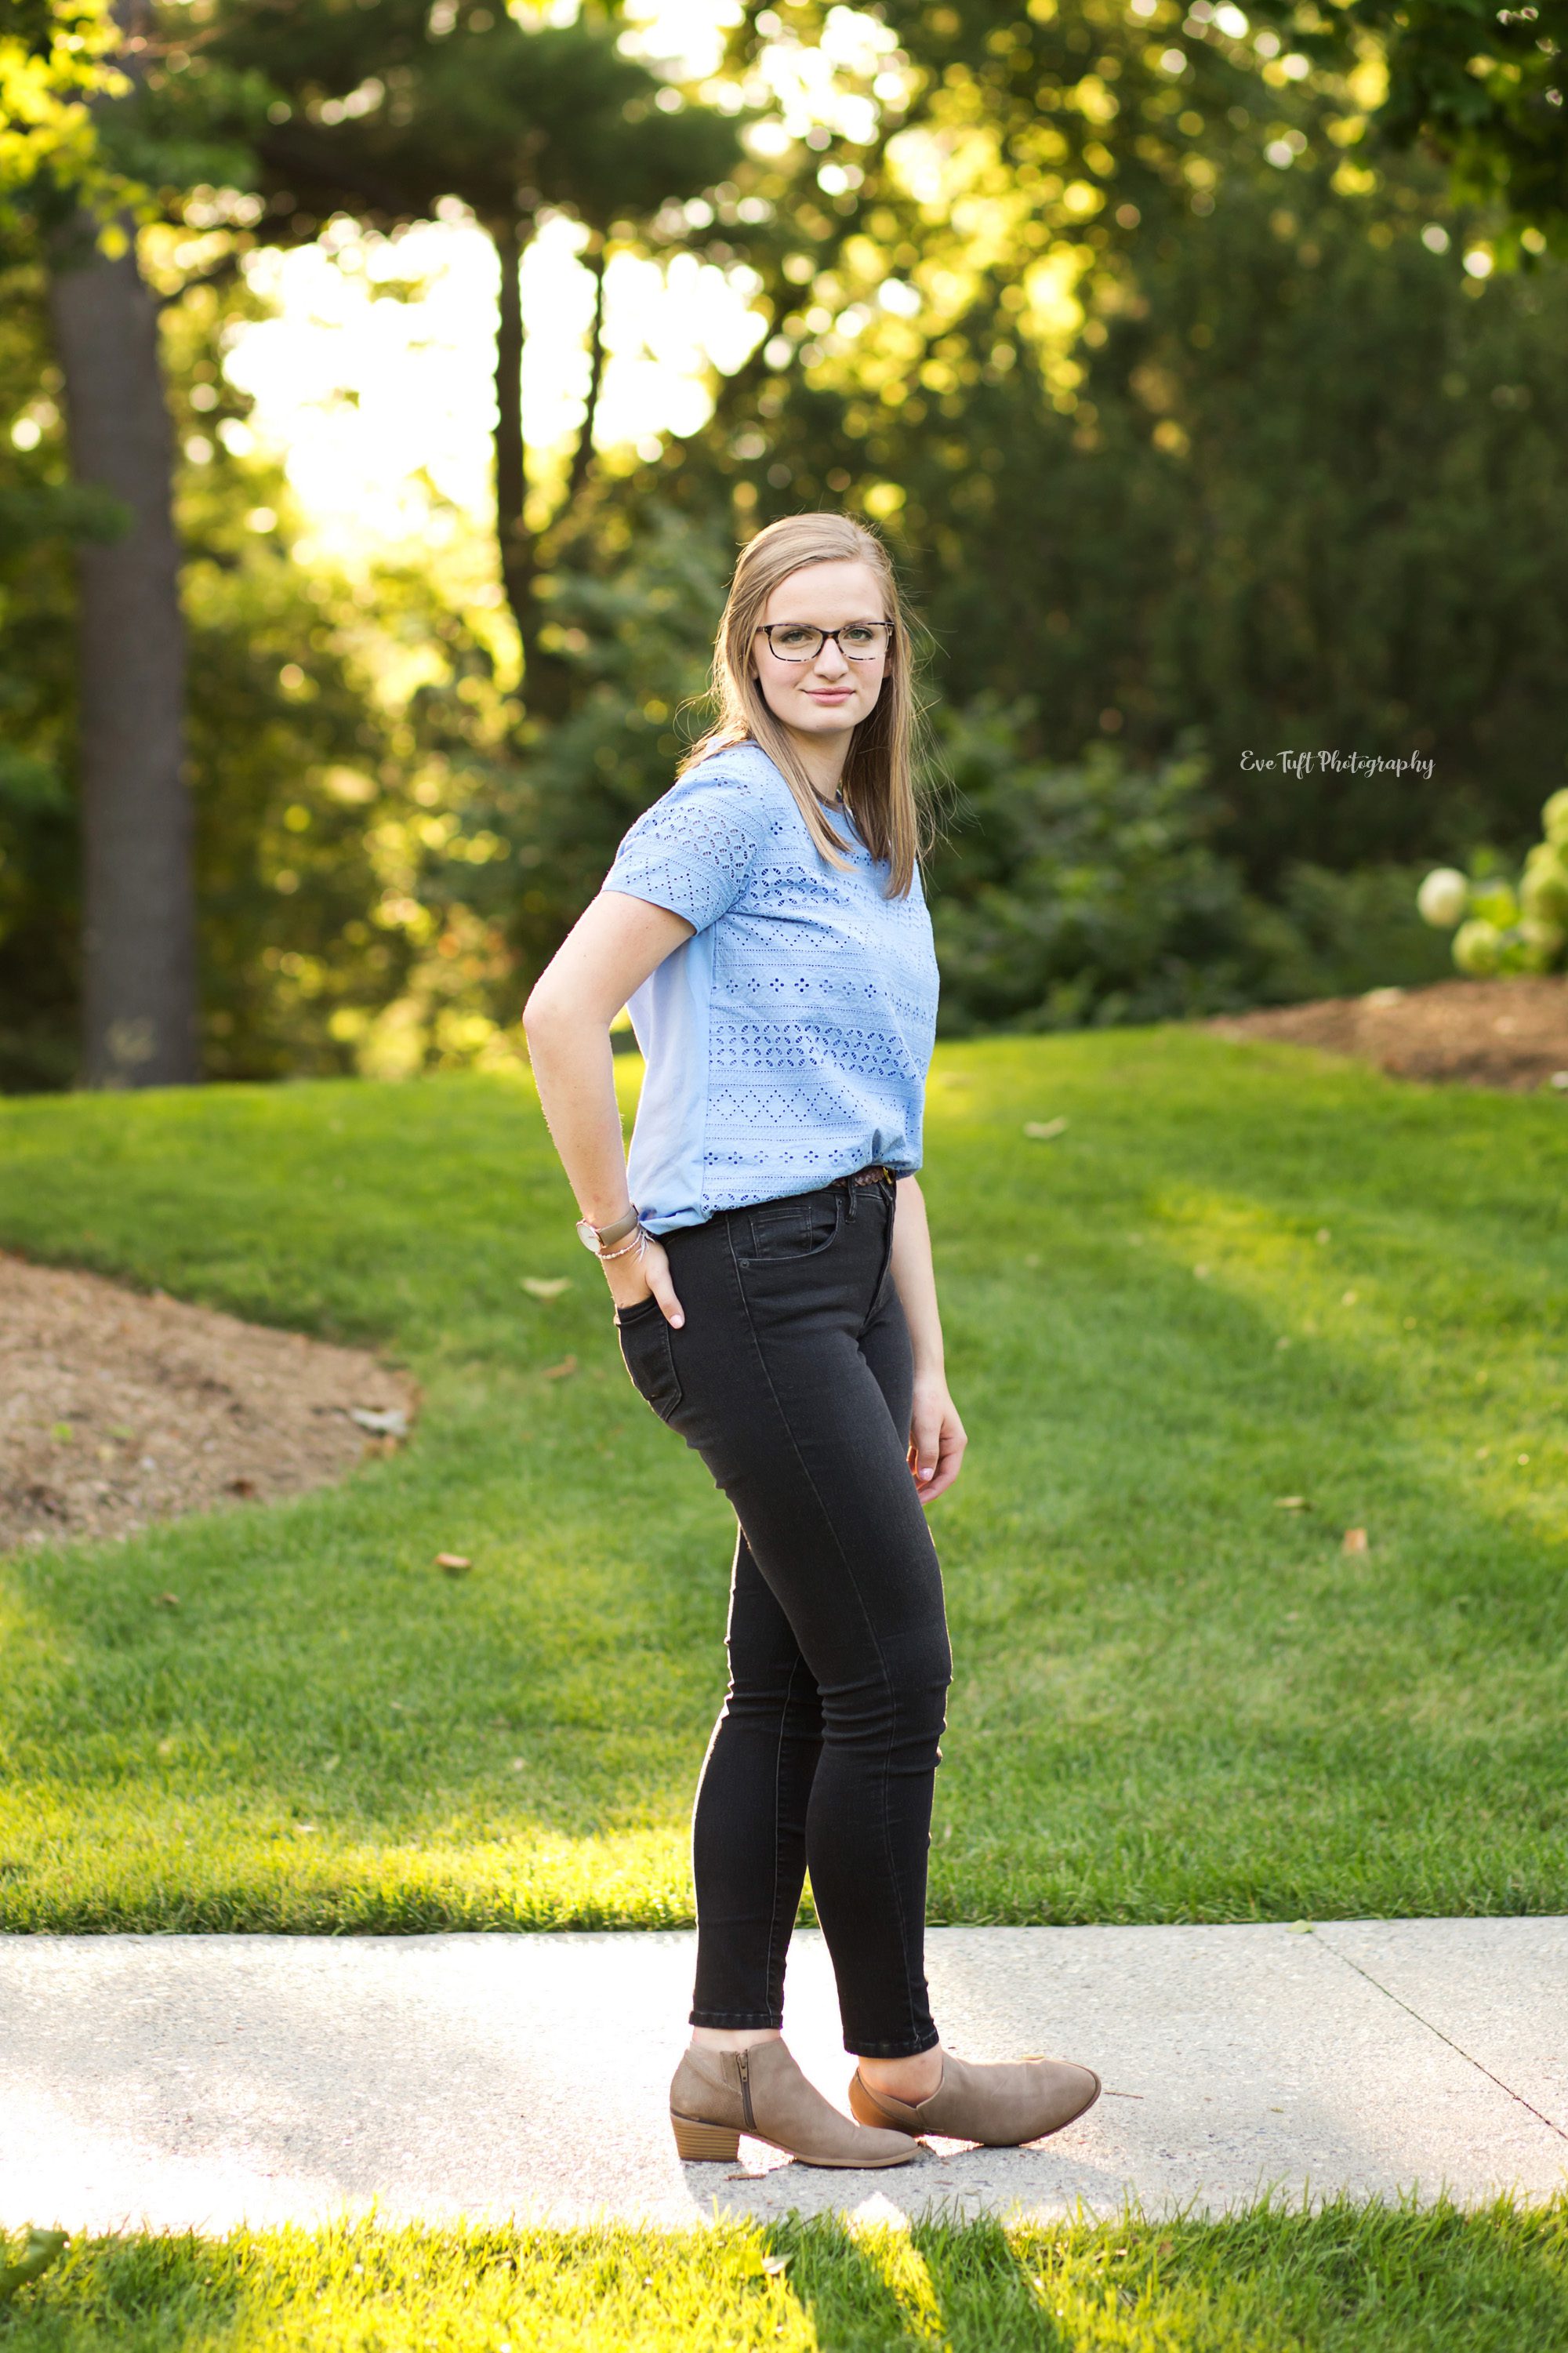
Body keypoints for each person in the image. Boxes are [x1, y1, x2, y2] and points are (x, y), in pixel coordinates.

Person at [523, 511, 1100, 2169]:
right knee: (891, 1672)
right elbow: (561, 1013)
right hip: (741, 1284)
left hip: (841, 1281)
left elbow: (882, 1130)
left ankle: (731, 2061)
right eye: (797, 635)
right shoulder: (728, 811)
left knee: (784, 1684)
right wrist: (618, 1239)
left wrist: (924, 1354)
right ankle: (900, 2065)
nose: (831, 660)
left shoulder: (862, 835)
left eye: (859, 633)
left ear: (892, 651)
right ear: (749, 650)